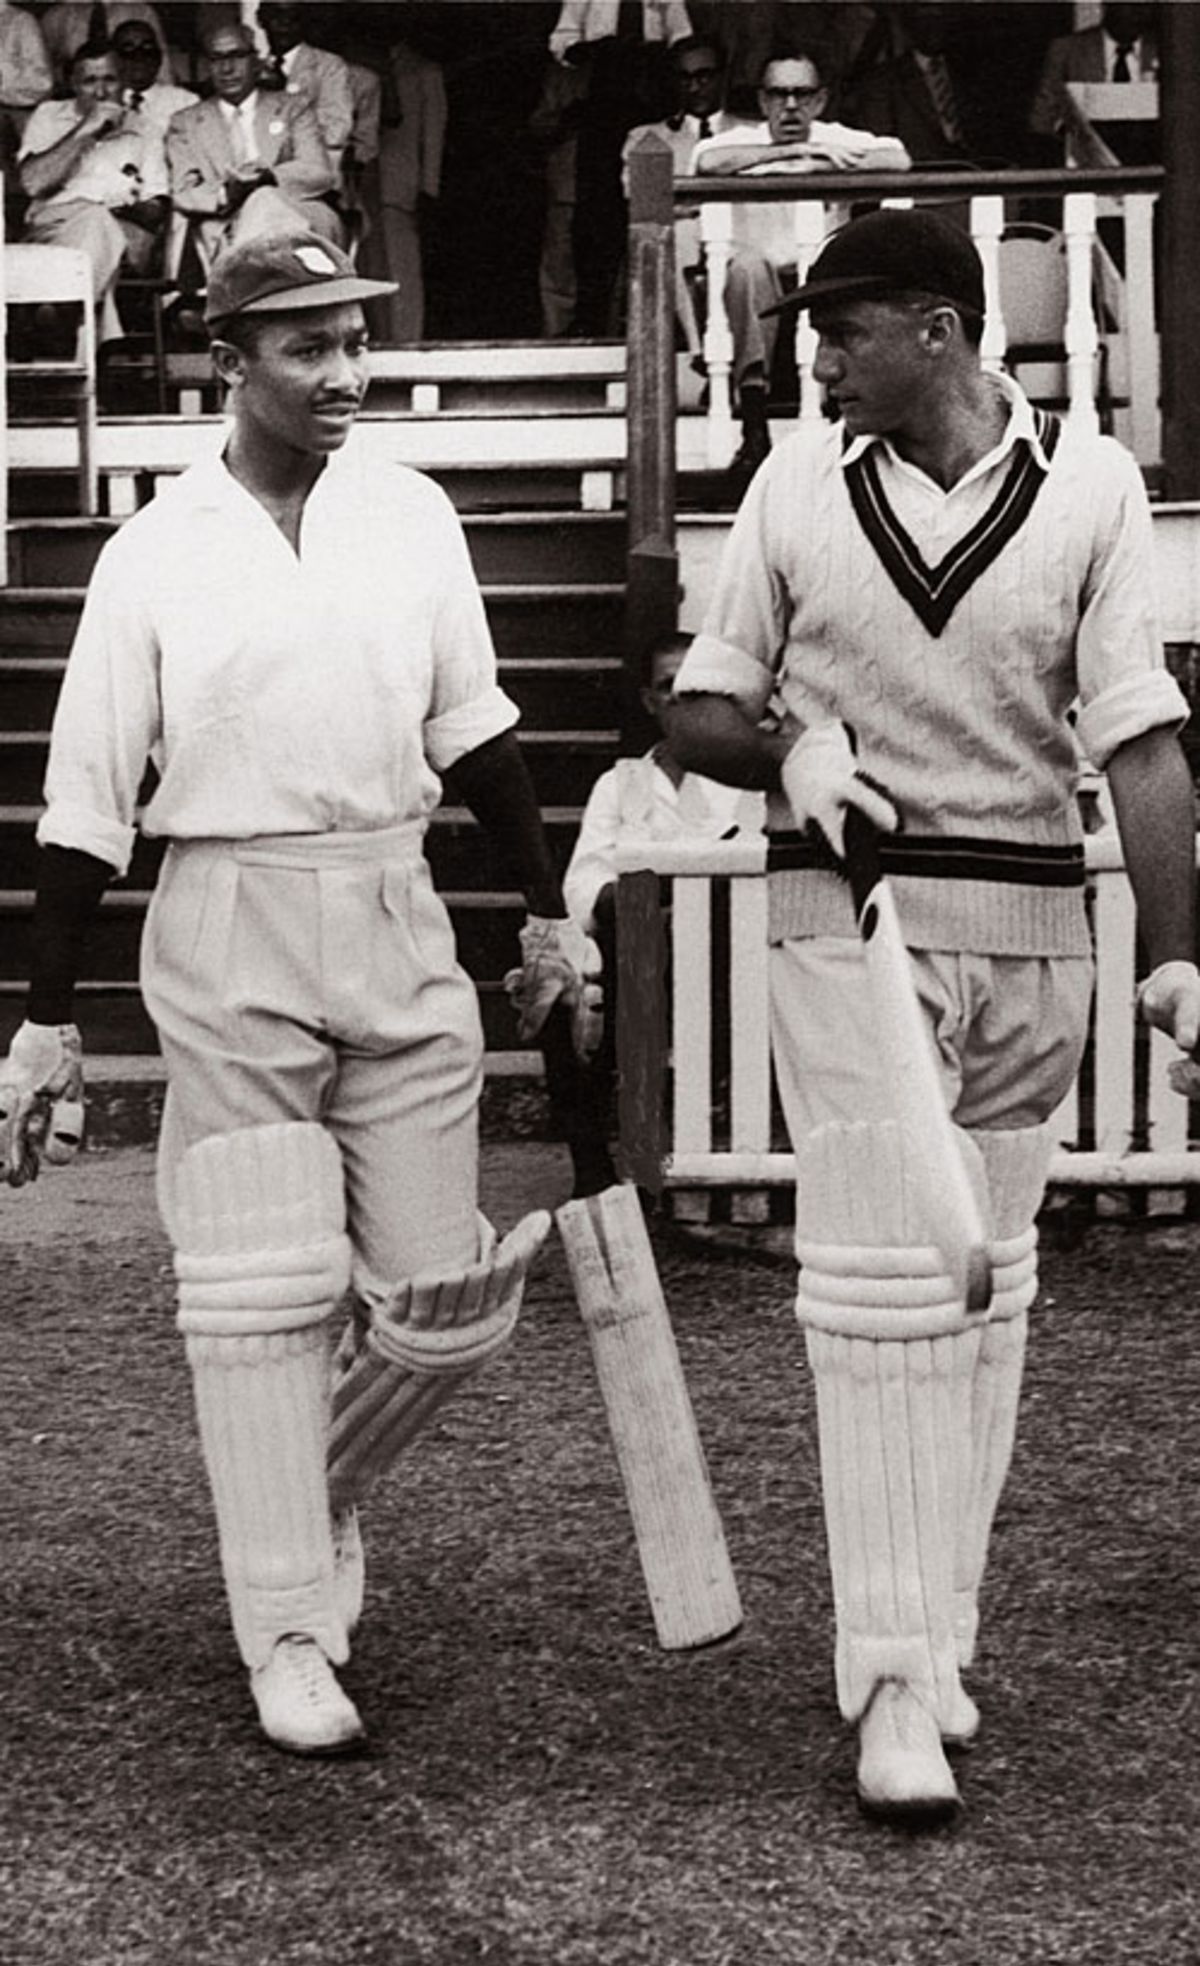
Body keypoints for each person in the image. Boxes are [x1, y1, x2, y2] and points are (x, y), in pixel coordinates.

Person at [0, 229, 596, 1758]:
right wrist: (47, 1011)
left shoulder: (410, 515)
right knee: (263, 1300)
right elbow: (82, 801)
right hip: (226, 912)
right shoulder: (156, 547)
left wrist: (541, 911)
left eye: (356, 342)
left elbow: (476, 732)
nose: (347, 374)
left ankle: (300, 1488)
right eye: (309, 348)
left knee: (437, 1301)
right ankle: (281, 1613)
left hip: (394, 901)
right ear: (231, 361)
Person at [666, 208, 1200, 1826]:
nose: (817, 356)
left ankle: (935, 1635)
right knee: (887, 1303)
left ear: (948, 331)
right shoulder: (793, 486)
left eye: (849, 327)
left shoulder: (1096, 488)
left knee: (985, 1301)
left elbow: (1142, 740)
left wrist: (1180, 955)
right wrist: (787, 759)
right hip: (847, 926)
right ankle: (890, 1673)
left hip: (1033, 919)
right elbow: (693, 709)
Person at [561, 633, 764, 1194]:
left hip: (736, 956)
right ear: (650, 701)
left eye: (693, 688)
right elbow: (583, 884)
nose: (680, 700)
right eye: (666, 688)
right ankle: (641, 1148)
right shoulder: (622, 783)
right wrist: (650, 896)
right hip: (648, 953)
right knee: (637, 929)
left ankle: (713, 1131)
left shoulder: (750, 779)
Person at [694, 48, 911, 485]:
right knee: (747, 270)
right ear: (762, 101)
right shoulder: (738, 141)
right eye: (778, 94)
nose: (790, 106)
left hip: (819, 277)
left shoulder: (838, 138)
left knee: (845, 265)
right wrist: (783, 157)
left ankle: (842, 420)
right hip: (761, 283)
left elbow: (897, 159)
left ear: (820, 100)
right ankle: (755, 429)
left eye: (801, 94)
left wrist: (815, 149)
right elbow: (706, 162)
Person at [19, 36, 169, 344]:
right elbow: (33, 182)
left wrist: (113, 207)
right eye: (89, 81)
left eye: (109, 80)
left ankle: (62, 314)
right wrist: (86, 129)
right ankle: (89, 331)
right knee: (96, 230)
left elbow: (156, 209)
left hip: (123, 230)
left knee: (98, 222)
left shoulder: (146, 129)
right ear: (73, 83)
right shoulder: (49, 116)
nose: (101, 92)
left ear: (125, 81)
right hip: (53, 231)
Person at [166, 18, 340, 266]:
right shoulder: (186, 122)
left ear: (256, 61)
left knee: (265, 199)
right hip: (229, 224)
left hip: (299, 216)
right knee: (261, 211)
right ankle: (277, 281)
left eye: (237, 56)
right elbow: (183, 191)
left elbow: (319, 172)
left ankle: (262, 281)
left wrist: (266, 180)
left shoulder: (294, 107)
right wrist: (226, 194)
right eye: (217, 59)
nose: (227, 68)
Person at [620, 35, 748, 362]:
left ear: (722, 77)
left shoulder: (750, 133)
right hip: (685, 242)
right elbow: (638, 195)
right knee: (683, 239)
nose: (695, 86)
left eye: (704, 75)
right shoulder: (646, 137)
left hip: (743, 236)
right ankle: (701, 351)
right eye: (685, 77)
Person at [356, 30, 445, 345]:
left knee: (402, 270)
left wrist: (427, 188)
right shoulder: (352, 65)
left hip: (399, 186)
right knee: (365, 268)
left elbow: (432, 134)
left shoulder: (424, 71)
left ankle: (407, 341)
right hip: (360, 186)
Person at [256, 2, 355, 190]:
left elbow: (336, 130)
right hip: (259, 179)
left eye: (294, 16)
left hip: (312, 181)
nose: (284, 24)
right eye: (276, 15)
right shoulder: (253, 69)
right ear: (261, 19)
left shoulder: (329, 66)